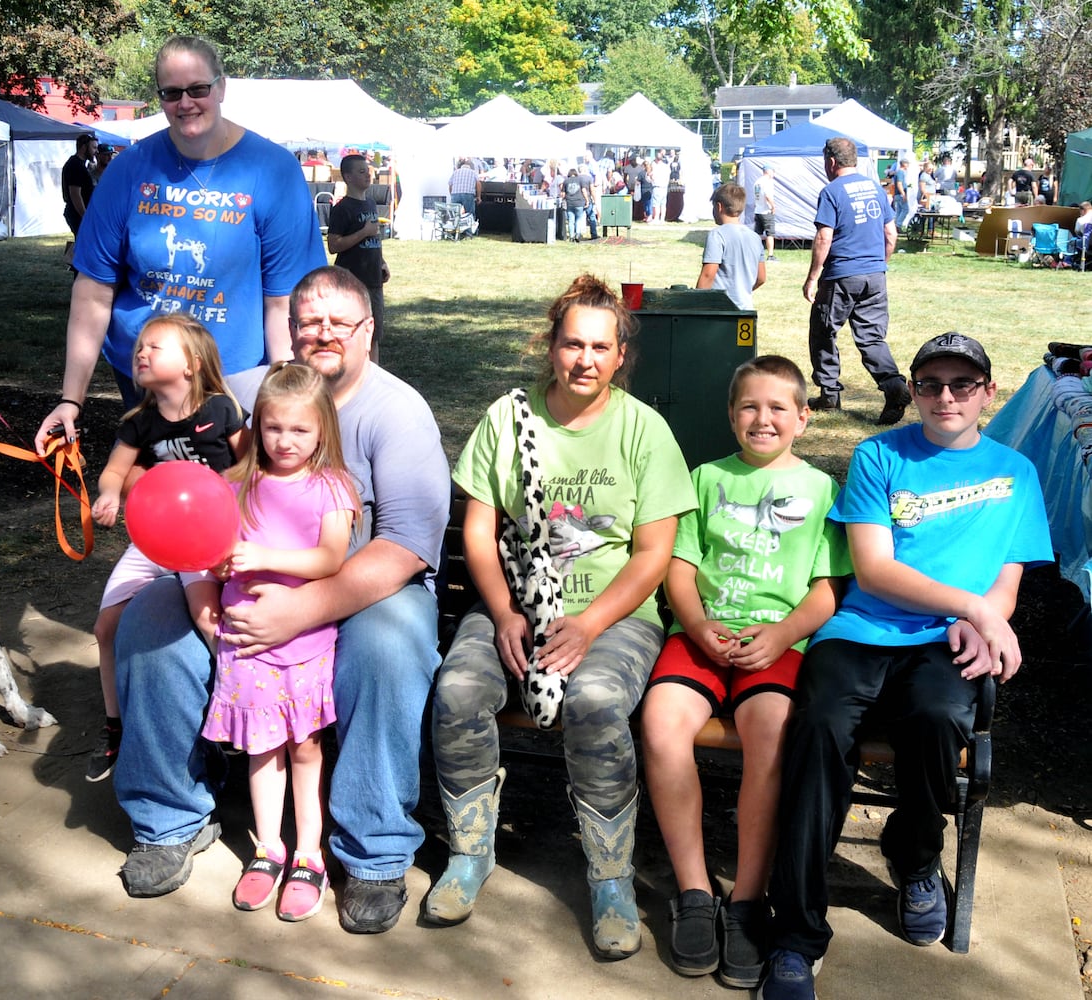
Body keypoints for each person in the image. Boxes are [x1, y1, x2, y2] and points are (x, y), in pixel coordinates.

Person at [108, 265, 450, 936]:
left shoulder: (396, 411)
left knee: (386, 647)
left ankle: (372, 850)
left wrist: (304, 609)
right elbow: (184, 502)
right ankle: (167, 816)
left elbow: (407, 542)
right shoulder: (240, 400)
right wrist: (200, 594)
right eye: (307, 322)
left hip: (364, 588)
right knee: (150, 621)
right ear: (288, 330)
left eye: (338, 322)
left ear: (368, 331)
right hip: (237, 583)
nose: (322, 334)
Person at [760, 332, 1053, 1000]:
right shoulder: (877, 455)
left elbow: (1007, 575)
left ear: (988, 392)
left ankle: (914, 855)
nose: (944, 396)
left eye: (960, 384)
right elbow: (873, 568)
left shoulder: (1016, 471)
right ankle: (795, 937)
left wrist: (989, 621)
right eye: (928, 384)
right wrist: (975, 611)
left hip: (946, 641)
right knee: (819, 732)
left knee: (939, 716)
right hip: (861, 630)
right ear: (913, 390)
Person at [426, 273, 697, 959]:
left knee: (599, 700)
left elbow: (653, 553)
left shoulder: (643, 428)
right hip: (513, 606)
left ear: (619, 356)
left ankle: (609, 877)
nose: (585, 359)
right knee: (458, 692)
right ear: (550, 347)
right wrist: (502, 613)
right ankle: (470, 852)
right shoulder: (507, 418)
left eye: (600, 348)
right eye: (572, 344)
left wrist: (588, 624)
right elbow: (479, 532)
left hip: (616, 617)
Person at [641, 356, 848, 988]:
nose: (763, 419)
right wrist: (698, 625)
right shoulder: (705, 478)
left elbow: (826, 588)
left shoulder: (820, 491)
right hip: (701, 635)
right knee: (660, 725)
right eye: (749, 407)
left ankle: (748, 899)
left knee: (773, 733)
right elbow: (679, 566)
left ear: (803, 419)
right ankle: (697, 892)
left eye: (778, 408)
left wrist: (783, 634)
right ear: (732, 416)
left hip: (775, 643)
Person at [32, 35, 325, 440]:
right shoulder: (129, 170)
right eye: (171, 93)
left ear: (221, 88)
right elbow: (93, 291)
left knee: (234, 495)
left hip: (234, 378)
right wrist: (71, 400)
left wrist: (286, 396)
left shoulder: (272, 171)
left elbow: (283, 303)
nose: (185, 103)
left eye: (198, 89)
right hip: (145, 379)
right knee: (157, 489)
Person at [190, 362, 359, 922]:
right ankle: (268, 848)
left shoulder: (331, 486)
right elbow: (213, 551)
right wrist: (216, 567)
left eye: (300, 430)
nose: (285, 441)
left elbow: (330, 558)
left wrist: (265, 557)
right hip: (244, 643)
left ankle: (309, 854)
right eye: (273, 428)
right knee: (261, 748)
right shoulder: (237, 483)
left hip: (304, 643)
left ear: (322, 431)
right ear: (257, 425)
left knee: (305, 748)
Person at [83, 314, 248, 783]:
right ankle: (114, 727)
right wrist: (111, 493)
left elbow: (251, 463)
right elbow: (114, 472)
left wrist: (217, 493)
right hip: (154, 543)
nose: (142, 352)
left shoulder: (220, 409)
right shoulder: (139, 421)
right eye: (140, 346)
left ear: (192, 364)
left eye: (156, 346)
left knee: (207, 619)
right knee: (105, 626)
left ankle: (237, 706)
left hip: (206, 542)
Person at [803, 137, 909, 425]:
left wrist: (813, 277)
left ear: (831, 162)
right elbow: (891, 234)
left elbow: (825, 236)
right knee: (872, 337)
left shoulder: (831, 191)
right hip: (875, 275)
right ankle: (894, 386)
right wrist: (880, 264)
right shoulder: (876, 188)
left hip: (841, 275)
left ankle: (829, 393)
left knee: (823, 330)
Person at [327, 154, 389, 362]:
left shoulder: (370, 204)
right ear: (348, 177)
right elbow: (334, 245)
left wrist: (382, 262)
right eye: (361, 172)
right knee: (349, 331)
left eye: (368, 171)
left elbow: (374, 239)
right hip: (351, 282)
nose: (368, 175)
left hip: (373, 279)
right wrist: (363, 232)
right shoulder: (342, 209)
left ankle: (375, 377)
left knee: (374, 333)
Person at [697, 183, 766, 311]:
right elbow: (761, 278)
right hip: (746, 309)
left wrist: (696, 304)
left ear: (718, 207)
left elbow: (708, 275)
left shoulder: (717, 235)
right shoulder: (755, 238)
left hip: (720, 309)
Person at [62, 133, 97, 235]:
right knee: (83, 244)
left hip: (79, 214)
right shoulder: (75, 165)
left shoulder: (80, 164)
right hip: (77, 214)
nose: (96, 151)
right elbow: (75, 194)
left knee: (82, 244)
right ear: (84, 147)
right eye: (94, 148)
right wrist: (85, 216)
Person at [752, 165, 777, 262]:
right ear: (769, 171)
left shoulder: (757, 182)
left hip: (758, 210)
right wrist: (773, 206)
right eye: (773, 172)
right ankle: (770, 255)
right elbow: (767, 195)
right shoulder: (767, 182)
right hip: (766, 211)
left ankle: (755, 253)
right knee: (770, 233)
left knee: (758, 233)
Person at [562, 168, 588, 243]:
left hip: (569, 203)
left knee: (571, 220)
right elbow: (583, 190)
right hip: (579, 202)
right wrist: (587, 200)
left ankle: (571, 236)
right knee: (578, 219)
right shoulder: (580, 179)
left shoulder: (566, 181)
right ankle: (577, 234)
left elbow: (563, 194)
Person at [650, 153, 671, 224]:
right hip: (664, 187)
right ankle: (662, 219)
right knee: (663, 204)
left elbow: (652, 177)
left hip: (657, 186)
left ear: (656, 158)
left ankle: (656, 219)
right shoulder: (666, 166)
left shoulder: (655, 167)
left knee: (656, 204)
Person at [891, 158, 911, 230]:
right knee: (906, 209)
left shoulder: (898, 172)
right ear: (904, 164)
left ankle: (895, 225)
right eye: (907, 164)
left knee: (899, 210)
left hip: (897, 194)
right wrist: (903, 194)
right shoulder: (900, 172)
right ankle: (898, 225)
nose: (908, 166)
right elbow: (899, 184)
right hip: (900, 194)